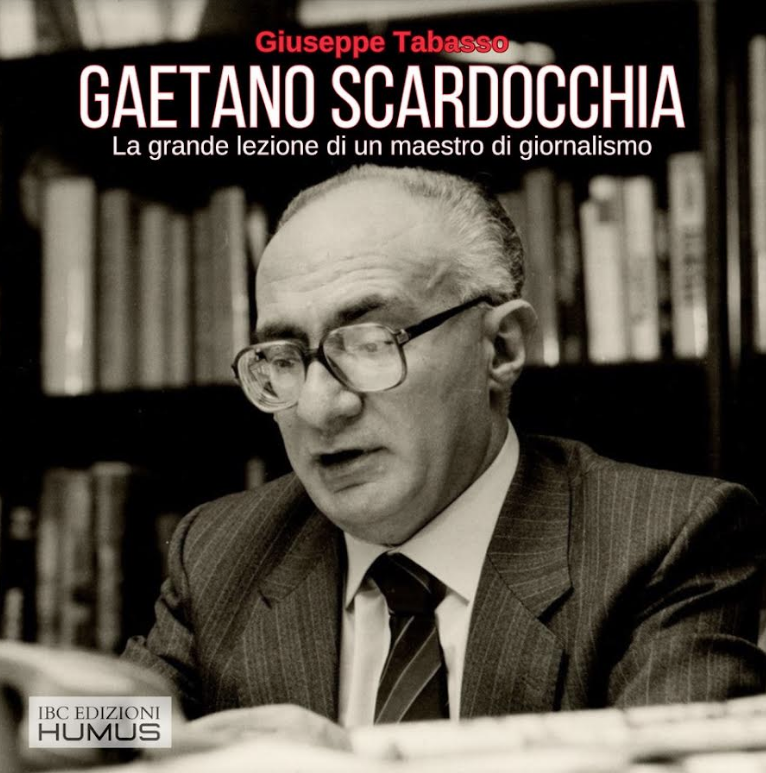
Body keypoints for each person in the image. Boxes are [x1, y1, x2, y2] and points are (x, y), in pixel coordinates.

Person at [124, 164, 766, 730]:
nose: (319, 408)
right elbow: (101, 734)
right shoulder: (221, 551)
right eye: (284, 358)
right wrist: (79, 714)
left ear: (501, 348)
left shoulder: (663, 544)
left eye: (372, 342)